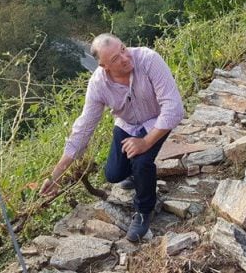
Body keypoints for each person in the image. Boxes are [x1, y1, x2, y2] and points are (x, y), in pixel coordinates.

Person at [39, 33, 184, 242]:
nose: (125, 58)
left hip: (155, 121)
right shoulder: (98, 84)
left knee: (143, 162)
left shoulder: (148, 59)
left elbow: (173, 108)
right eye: (115, 59)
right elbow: (83, 128)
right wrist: (56, 175)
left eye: (123, 49)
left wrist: (145, 142)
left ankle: (144, 210)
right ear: (103, 66)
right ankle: (136, 175)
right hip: (126, 125)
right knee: (114, 175)